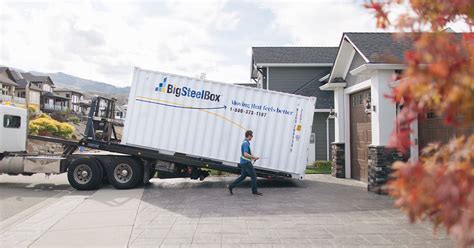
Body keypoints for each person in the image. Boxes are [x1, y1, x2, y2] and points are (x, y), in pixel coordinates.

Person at [228, 130, 263, 196]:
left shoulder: (245, 143)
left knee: (243, 176)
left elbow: (246, 154)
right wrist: (254, 157)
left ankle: (231, 186)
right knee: (254, 177)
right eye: (252, 136)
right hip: (246, 163)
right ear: (249, 135)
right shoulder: (245, 143)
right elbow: (245, 154)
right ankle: (254, 191)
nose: (252, 137)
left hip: (243, 162)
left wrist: (253, 157)